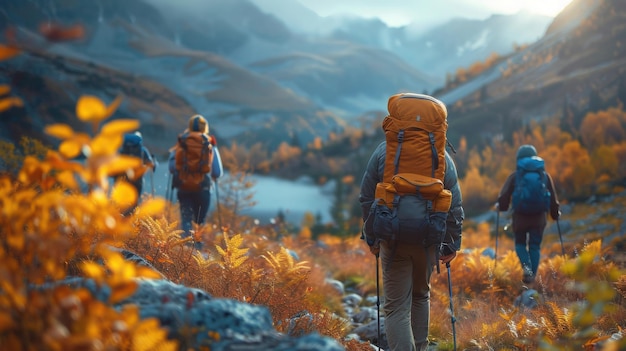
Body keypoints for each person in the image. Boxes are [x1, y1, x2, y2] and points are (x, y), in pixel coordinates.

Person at [359, 94, 464, 351]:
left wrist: (372, 238)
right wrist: (452, 245)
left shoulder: (384, 151)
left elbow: (366, 197)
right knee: (421, 296)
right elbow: (455, 206)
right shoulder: (442, 158)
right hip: (428, 237)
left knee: (396, 307)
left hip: (392, 236)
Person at [497, 144, 560, 284]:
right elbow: (553, 199)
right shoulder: (544, 176)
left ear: (518, 159)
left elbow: (504, 196)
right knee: (535, 246)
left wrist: (501, 207)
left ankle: (527, 269)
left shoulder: (515, 176)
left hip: (520, 217)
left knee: (520, 244)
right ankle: (532, 277)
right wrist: (555, 214)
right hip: (539, 217)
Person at [169, 114, 223, 249]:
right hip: (203, 188)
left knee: (186, 220)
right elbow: (217, 172)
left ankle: (185, 249)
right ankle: (197, 251)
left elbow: (172, 167)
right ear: (205, 127)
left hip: (184, 187)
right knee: (199, 222)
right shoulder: (209, 143)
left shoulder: (182, 142)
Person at [116, 131, 157, 215]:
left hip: (123, 181)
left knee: (122, 202)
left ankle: (122, 218)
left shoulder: (122, 151)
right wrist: (153, 163)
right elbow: (151, 164)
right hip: (138, 181)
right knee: (134, 202)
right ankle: (132, 221)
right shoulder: (142, 150)